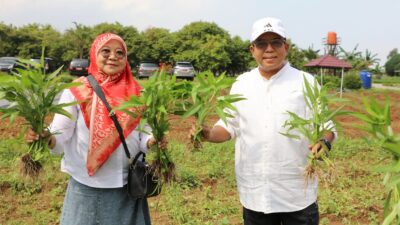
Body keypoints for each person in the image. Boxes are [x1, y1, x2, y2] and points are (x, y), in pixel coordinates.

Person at [192, 17, 335, 225]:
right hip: (255, 192)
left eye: (276, 42)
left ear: (286, 47)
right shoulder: (242, 83)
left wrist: (324, 141)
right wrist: (207, 133)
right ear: (252, 50)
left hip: (297, 193)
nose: (269, 49)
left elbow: (326, 126)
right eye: (261, 43)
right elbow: (228, 126)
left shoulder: (305, 81)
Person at [26, 33, 159, 225]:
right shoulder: (76, 90)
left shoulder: (138, 93)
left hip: (127, 187)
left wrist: (153, 140)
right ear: (94, 54)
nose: (113, 56)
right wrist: (46, 136)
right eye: (106, 51)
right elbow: (59, 137)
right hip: (85, 187)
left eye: (120, 52)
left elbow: (144, 134)